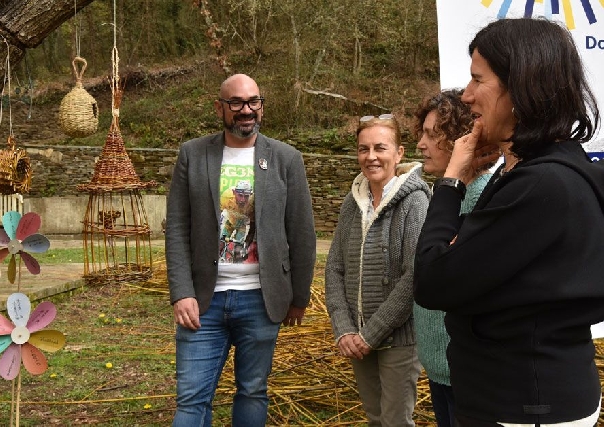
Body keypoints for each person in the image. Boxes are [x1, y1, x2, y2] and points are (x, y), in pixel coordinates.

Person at [413, 18, 604, 426]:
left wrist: (451, 184)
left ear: (520, 88)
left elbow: (433, 281)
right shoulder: (546, 171)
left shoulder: (542, 185)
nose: (465, 96)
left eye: (476, 80)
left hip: (525, 405)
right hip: (521, 397)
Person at [165, 73, 317, 426]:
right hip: (203, 302)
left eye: (253, 102)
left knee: (252, 391)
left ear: (261, 106)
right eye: (236, 103)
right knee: (191, 400)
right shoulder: (192, 153)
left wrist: (299, 297)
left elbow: (302, 232)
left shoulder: (286, 158)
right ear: (220, 107)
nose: (246, 110)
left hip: (261, 300)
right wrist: (181, 292)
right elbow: (175, 228)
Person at [325, 113, 430, 426]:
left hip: (399, 340)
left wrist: (370, 334)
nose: (371, 157)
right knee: (374, 418)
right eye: (363, 149)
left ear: (398, 153)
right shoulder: (352, 202)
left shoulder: (415, 202)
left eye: (380, 148)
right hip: (357, 337)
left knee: (396, 421)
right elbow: (334, 268)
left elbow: (415, 276)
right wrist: (344, 328)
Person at [413, 89, 495, 427]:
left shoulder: (485, 199)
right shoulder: (444, 195)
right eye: (422, 133)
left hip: (470, 375)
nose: (420, 144)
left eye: (433, 135)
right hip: (440, 367)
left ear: (464, 141)